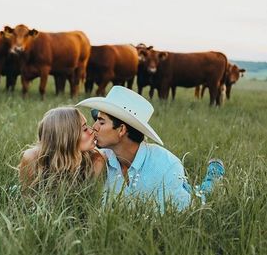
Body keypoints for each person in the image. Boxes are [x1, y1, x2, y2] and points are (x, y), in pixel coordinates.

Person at [77, 86, 225, 212]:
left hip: (180, 192)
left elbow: (176, 218)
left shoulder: (166, 166)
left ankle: (214, 176)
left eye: (101, 122)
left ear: (121, 129)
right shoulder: (100, 160)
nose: (94, 127)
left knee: (201, 194)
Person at [19, 106, 106, 192]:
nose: (92, 131)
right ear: (67, 138)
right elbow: (26, 200)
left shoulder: (96, 160)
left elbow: (92, 201)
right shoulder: (32, 158)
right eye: (85, 129)